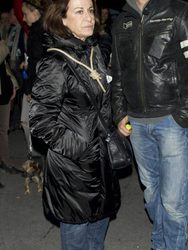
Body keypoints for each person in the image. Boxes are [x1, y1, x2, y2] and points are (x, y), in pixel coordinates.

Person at [111, 0, 188, 249]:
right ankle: (160, 243)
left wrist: (183, 116)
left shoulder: (180, 11)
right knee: (151, 193)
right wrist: (119, 113)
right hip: (136, 123)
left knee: (173, 201)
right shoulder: (121, 20)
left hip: (171, 121)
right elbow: (117, 73)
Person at [29, 0, 120, 249]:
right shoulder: (54, 64)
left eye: (90, 10)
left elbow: (102, 101)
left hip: (100, 162)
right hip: (72, 167)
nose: (89, 17)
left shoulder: (93, 52)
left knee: (98, 228)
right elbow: (40, 122)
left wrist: (114, 126)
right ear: (62, 19)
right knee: (78, 231)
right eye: (79, 11)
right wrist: (78, 147)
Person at [20, 0, 50, 158]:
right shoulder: (46, 27)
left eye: (25, 14)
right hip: (43, 85)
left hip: (37, 87)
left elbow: (37, 61)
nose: (23, 19)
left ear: (34, 12)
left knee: (30, 122)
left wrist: (30, 89)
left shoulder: (37, 31)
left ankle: (37, 157)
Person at [0, 35, 20, 175]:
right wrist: (3, 46)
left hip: (4, 92)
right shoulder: (2, 45)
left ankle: (5, 161)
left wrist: (13, 83)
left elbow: (4, 66)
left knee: (3, 130)